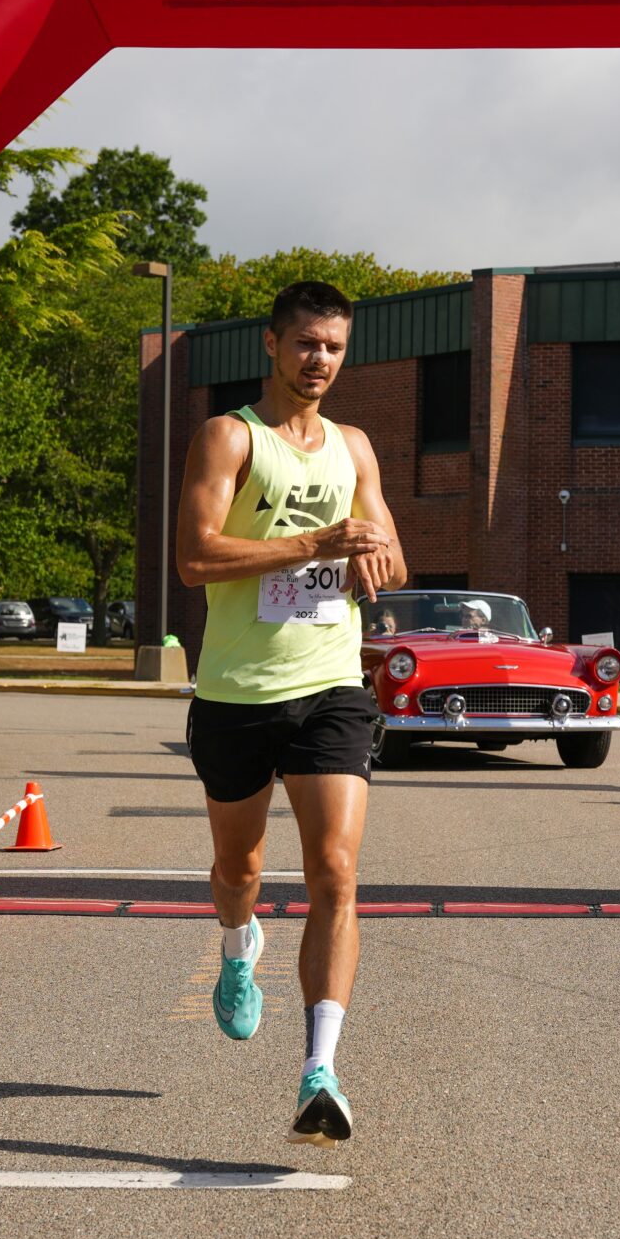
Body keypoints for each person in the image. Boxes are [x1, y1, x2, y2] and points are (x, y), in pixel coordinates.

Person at [176, 279, 404, 1146]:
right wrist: (317, 542)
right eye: (306, 344)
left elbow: (390, 555)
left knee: (336, 872)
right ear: (272, 345)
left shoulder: (353, 447)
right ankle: (239, 946)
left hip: (330, 687)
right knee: (239, 868)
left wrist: (371, 558)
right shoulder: (231, 436)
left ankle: (320, 1069)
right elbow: (196, 558)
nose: (320, 361)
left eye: (335, 347)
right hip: (237, 692)